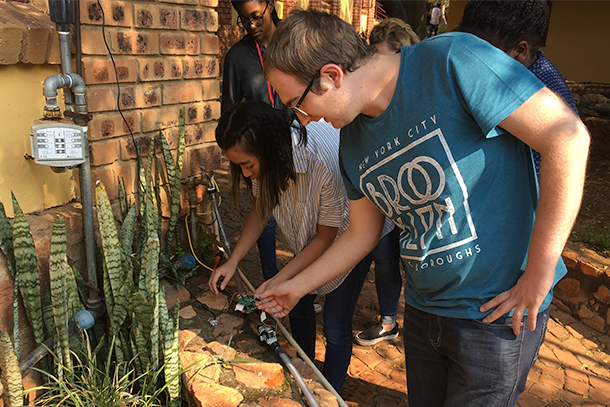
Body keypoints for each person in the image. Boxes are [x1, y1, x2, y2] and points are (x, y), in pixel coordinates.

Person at [255, 9, 590, 407]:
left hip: (495, 313)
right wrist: (297, 287)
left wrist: (538, 273)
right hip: (422, 311)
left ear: (330, 76)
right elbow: (361, 234)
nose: (305, 121)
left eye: (299, 103)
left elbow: (567, 140)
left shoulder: (452, 60)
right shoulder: (351, 143)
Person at [208, 101, 391, 392]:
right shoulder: (270, 156)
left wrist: (282, 279)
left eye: (247, 165)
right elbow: (261, 207)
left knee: (335, 324)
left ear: (268, 150)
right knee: (298, 303)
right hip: (312, 238)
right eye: (238, 165)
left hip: (351, 236)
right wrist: (233, 261)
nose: (244, 174)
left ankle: (327, 394)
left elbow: (326, 238)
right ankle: (303, 373)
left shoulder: (322, 164)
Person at [221, 1, 329, 312]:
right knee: (273, 215)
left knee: (309, 223)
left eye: (256, 16)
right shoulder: (238, 56)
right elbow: (261, 207)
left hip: (299, 152)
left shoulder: (320, 157)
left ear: (271, 6)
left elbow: (327, 236)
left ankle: (298, 283)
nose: (250, 25)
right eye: (244, 20)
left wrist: (290, 280)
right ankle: (282, 284)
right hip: (266, 153)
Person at [353, 18, 421, 347]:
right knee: (384, 256)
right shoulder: (357, 133)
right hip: (388, 208)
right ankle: (388, 320)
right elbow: (360, 233)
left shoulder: (426, 96)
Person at [455, 0, 579, 177]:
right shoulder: (510, 76)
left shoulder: (543, 96)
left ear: (520, 51)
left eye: (484, 55)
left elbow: (561, 158)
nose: (473, 61)